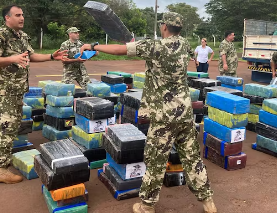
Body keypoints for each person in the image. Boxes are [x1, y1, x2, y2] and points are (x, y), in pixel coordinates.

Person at [79, 12, 216, 213]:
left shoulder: (155, 46)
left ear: (164, 27)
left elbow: (120, 50)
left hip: (163, 117)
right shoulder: (185, 44)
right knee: (192, 158)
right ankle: (208, 201)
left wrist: (93, 46)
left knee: (156, 161)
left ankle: (147, 205)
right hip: (185, 113)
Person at [0, 5, 67, 184]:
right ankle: (0, 169)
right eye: (17, 15)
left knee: (5, 125)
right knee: (7, 127)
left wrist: (52, 56)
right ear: (7, 18)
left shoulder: (21, 36)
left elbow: (32, 55)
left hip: (15, 90)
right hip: (3, 90)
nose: (22, 18)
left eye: (23, 15)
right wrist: (12, 59)